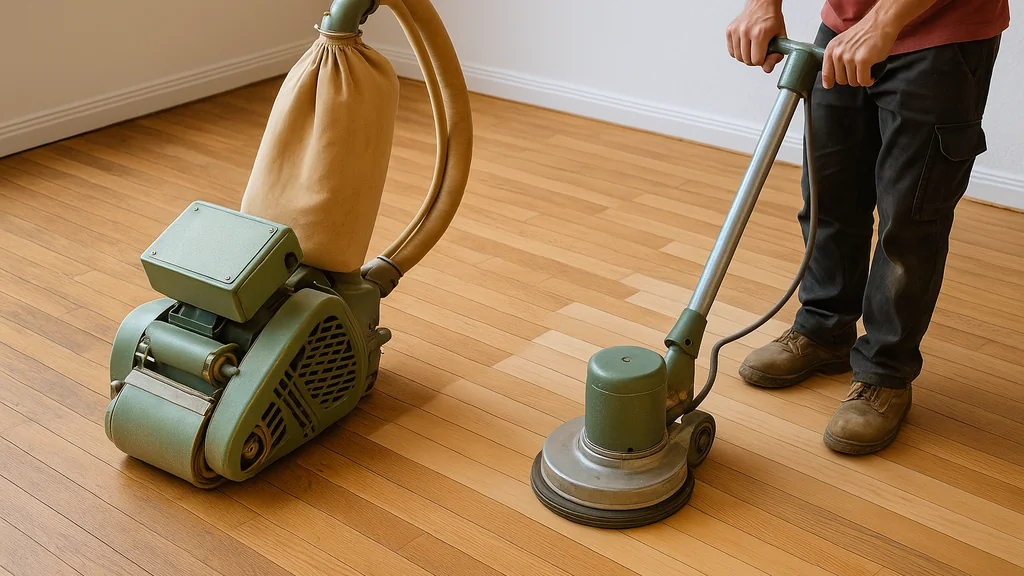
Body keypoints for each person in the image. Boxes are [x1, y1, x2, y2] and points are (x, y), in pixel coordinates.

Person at [725, 0, 1009, 455]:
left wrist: (885, 19)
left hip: (941, 36)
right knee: (828, 197)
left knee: (909, 224)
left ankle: (884, 372)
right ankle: (823, 330)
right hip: (842, 30)